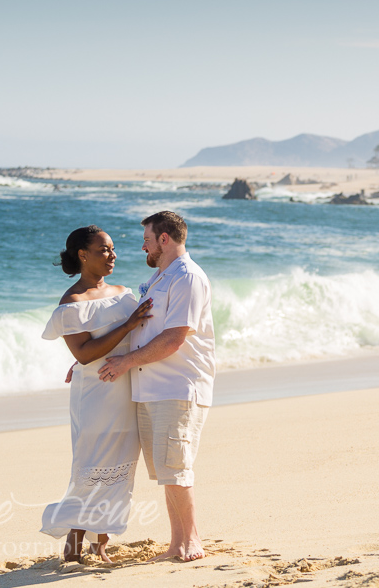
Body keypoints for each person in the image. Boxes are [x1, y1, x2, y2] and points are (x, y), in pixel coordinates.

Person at [98, 211, 215, 563]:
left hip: (178, 387)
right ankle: (178, 542)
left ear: (164, 239)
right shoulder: (159, 278)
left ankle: (189, 543)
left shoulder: (188, 277)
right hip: (152, 389)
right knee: (169, 471)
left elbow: (175, 338)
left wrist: (125, 363)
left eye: (147, 238)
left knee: (177, 469)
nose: (143, 245)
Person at [40, 225, 154, 563]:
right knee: (90, 469)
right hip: (94, 396)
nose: (113, 255)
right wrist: (128, 325)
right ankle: (72, 548)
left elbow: (138, 339)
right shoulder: (71, 303)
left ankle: (99, 546)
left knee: (120, 468)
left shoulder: (123, 293)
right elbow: (86, 353)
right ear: (83, 255)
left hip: (126, 390)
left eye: (113, 248)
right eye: (104, 249)